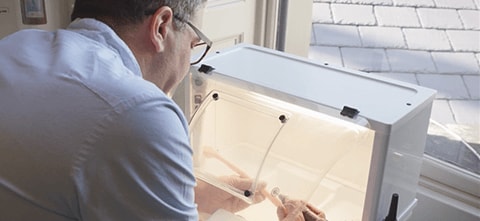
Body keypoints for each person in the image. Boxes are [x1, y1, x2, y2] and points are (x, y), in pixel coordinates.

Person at [0, 0, 325, 220]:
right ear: (161, 26)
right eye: (193, 45)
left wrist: (202, 195)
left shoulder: (16, 46)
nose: (188, 62)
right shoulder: (140, 111)